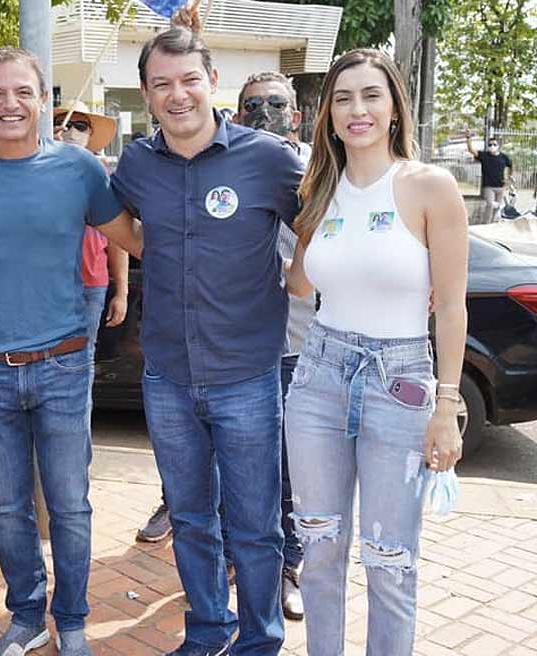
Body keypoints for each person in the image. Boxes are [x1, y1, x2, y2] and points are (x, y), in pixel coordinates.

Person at [0, 47, 142, 656]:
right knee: (8, 512)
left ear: (44, 100)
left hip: (64, 364)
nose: (10, 104)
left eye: (23, 92)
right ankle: (25, 617)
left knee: (71, 507)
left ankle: (71, 621)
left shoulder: (81, 171)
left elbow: (132, 237)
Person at [109, 25, 305, 655]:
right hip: (166, 375)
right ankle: (208, 633)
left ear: (212, 82)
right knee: (192, 521)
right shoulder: (137, 164)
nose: (178, 94)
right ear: (145, 92)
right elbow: (128, 233)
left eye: (189, 79)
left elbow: (326, 225)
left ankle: (258, 643)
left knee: (255, 528)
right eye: (162, 84)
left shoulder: (268, 158)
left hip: (249, 376)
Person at [285, 48, 467, 655]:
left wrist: (446, 404)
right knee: (319, 549)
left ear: (394, 109)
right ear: (328, 115)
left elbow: (453, 306)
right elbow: (301, 283)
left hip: (403, 379)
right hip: (319, 376)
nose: (356, 109)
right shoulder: (320, 186)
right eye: (342, 98)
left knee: (391, 560)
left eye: (370, 95)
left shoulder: (428, 186)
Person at [234, 70, 314, 623]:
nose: (264, 111)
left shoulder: (321, 169)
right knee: (238, 466)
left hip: (302, 344)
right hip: (240, 344)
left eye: (276, 103)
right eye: (252, 104)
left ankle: (288, 565)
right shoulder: (230, 164)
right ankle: (236, 563)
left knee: (290, 470)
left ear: (298, 113)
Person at [52, 102, 130, 370]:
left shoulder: (103, 178)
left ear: (90, 134)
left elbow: (120, 239)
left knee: (83, 359)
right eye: (65, 123)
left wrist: (122, 291)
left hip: (91, 283)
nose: (71, 130)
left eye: (80, 126)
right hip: (44, 283)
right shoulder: (36, 171)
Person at [466, 131, 513, 224]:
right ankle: (486, 223)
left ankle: (492, 223)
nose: (492, 146)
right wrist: (468, 139)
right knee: (490, 204)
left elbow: (510, 166)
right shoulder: (484, 155)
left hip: (500, 186)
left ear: (498, 145)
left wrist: (509, 178)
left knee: (498, 206)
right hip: (488, 187)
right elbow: (471, 150)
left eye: (494, 144)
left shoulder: (504, 157)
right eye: (490, 144)